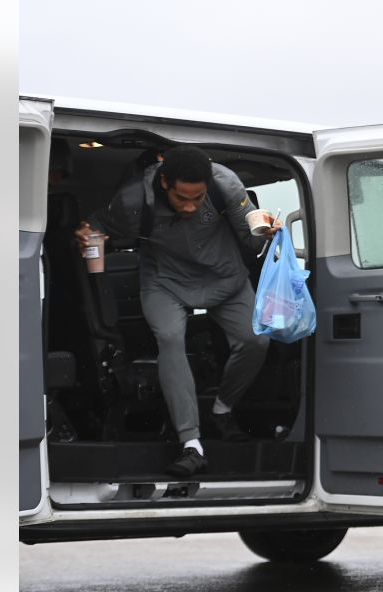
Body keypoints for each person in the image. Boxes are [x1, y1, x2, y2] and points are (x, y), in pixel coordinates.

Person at [74, 146, 278, 477]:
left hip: (224, 277)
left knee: (256, 340)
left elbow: (252, 239)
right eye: (182, 198)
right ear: (165, 182)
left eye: (197, 199)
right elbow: (97, 224)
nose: (189, 206)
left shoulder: (226, 184)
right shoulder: (133, 199)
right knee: (169, 337)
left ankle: (222, 409)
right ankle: (191, 444)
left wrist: (267, 232)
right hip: (164, 281)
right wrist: (84, 231)